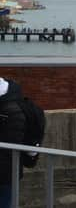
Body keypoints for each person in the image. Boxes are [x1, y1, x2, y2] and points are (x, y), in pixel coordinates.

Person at [0, 78, 27, 208]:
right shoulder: (16, 103)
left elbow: (13, 139)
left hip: (6, 169)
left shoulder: (11, 110)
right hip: (11, 168)